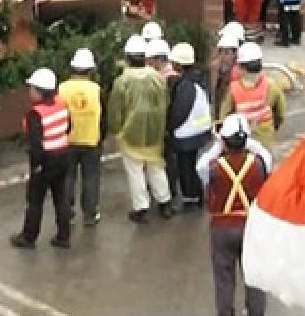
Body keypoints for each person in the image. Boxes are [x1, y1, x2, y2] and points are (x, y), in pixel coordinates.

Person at [198, 115, 271, 316]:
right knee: (254, 276)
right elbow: (267, 157)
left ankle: (225, 315)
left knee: (224, 277)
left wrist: (216, 146)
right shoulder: (258, 164)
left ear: (225, 141)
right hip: (251, 227)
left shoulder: (214, 167)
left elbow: (200, 168)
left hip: (221, 228)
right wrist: (251, 143)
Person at [108, 35, 174, 222]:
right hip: (154, 131)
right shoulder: (157, 78)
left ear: (127, 57)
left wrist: (115, 131)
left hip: (130, 134)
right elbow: (165, 103)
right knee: (156, 167)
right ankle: (165, 202)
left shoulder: (122, 81)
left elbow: (115, 110)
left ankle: (141, 208)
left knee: (135, 171)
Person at [10, 68, 72, 249]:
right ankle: (63, 236)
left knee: (35, 200)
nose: (30, 92)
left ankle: (29, 237)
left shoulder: (35, 114)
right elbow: (69, 127)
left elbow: (35, 145)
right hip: (63, 155)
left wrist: (36, 165)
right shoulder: (61, 104)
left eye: (32, 88)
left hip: (45, 160)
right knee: (61, 198)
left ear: (40, 91)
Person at [167, 43, 211, 210]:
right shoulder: (198, 80)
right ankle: (197, 193)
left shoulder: (185, 85)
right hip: (199, 131)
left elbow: (180, 111)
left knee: (185, 168)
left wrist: (170, 127)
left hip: (186, 134)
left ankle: (191, 197)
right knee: (192, 164)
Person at [62, 49, 104, 227]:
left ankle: (66, 212)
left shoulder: (62, 88)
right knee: (90, 177)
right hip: (91, 139)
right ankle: (90, 214)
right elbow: (104, 117)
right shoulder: (97, 90)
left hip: (67, 140)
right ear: (90, 69)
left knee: (67, 177)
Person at [219, 42, 286, 149]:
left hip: (240, 144)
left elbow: (224, 117)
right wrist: (273, 127)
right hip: (265, 141)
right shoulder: (272, 86)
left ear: (240, 67)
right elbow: (280, 113)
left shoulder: (233, 89)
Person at [213, 26, 244, 114]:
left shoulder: (236, 74)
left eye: (226, 52)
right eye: (220, 51)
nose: (222, 56)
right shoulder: (221, 69)